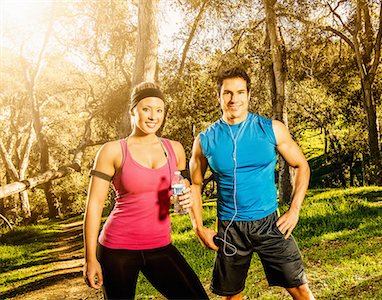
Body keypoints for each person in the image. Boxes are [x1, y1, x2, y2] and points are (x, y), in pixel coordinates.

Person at [189, 67, 315, 300]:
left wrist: (295, 210)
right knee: (231, 296)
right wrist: (198, 227)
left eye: (239, 92)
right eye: (227, 93)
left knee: (301, 290)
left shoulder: (271, 129)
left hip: (270, 223)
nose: (233, 99)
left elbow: (301, 166)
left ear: (248, 95)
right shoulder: (205, 140)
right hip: (230, 228)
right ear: (219, 96)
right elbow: (194, 185)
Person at [83, 82, 209, 300]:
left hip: (160, 246)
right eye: (146, 109)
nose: (153, 116)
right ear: (133, 111)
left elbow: (182, 185)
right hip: (117, 249)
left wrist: (187, 195)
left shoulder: (174, 148)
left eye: (159, 110)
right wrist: (90, 258)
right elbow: (94, 205)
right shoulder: (112, 150)